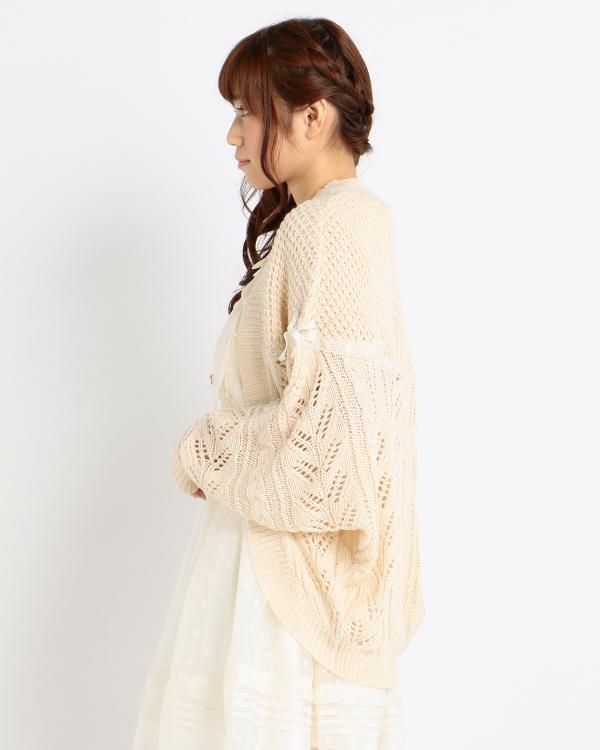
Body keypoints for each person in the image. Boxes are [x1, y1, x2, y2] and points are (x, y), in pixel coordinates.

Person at [133, 16, 425, 749]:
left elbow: (330, 456)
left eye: (247, 110)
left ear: (312, 117)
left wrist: (203, 449)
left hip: (280, 596)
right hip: (266, 575)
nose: (233, 135)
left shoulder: (330, 229)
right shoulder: (331, 224)